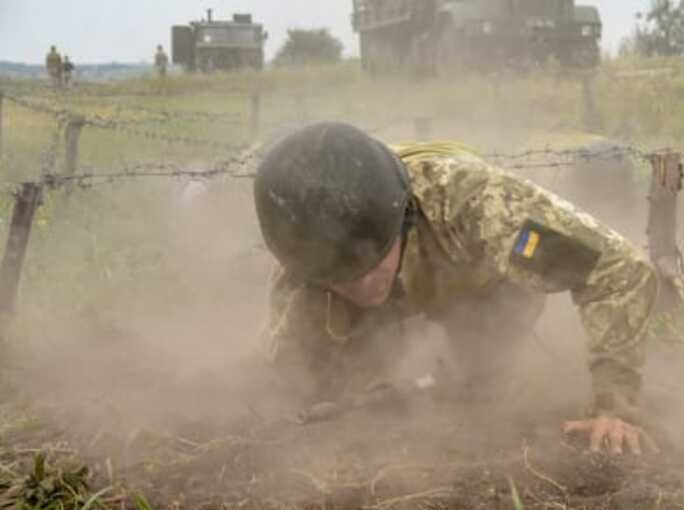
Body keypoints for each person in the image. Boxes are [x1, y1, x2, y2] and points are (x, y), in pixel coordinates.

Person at [255, 122, 659, 455]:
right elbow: (284, 381)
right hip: (390, 289)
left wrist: (616, 407)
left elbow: (615, 268)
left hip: (479, 286)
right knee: (317, 388)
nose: (361, 286)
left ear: (404, 220)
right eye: (339, 278)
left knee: (482, 387)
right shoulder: (304, 259)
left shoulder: (480, 209)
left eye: (370, 264)